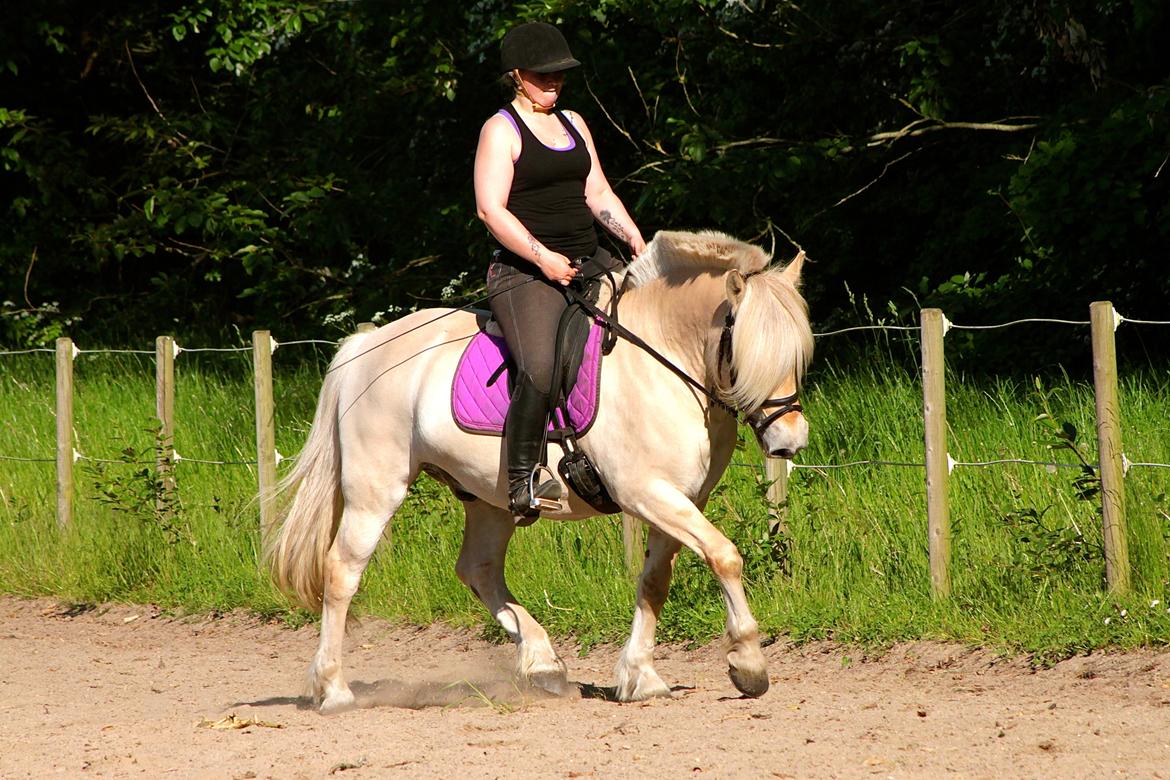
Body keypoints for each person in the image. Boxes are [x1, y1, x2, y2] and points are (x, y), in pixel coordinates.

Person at [474, 21, 646, 524]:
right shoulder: (500, 129)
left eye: (559, 76)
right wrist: (543, 257)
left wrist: (637, 242)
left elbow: (598, 193)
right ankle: (522, 479)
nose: (553, 83)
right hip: (526, 275)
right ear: (516, 76)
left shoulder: (574, 122)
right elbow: (490, 209)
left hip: (592, 261)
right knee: (541, 367)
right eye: (542, 76)